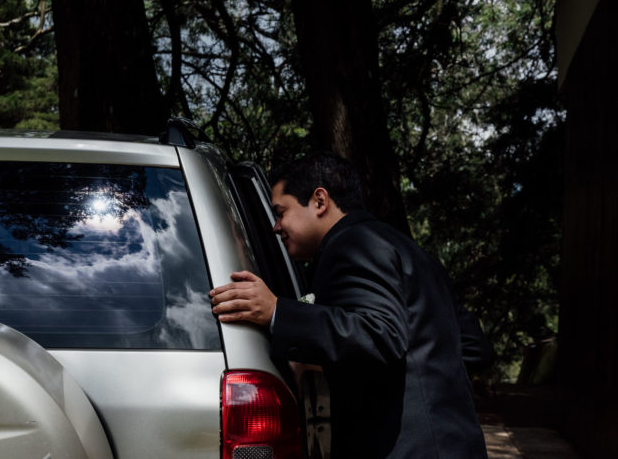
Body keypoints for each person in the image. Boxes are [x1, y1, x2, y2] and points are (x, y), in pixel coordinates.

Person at [210, 152, 492, 458]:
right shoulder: (412, 251)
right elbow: (475, 347)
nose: (276, 227)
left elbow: (379, 336)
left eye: (281, 212)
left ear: (319, 201)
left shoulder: (352, 245)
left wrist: (278, 311)